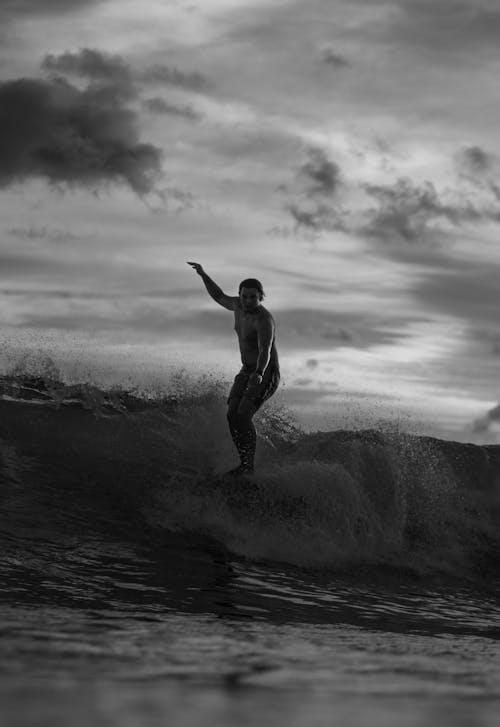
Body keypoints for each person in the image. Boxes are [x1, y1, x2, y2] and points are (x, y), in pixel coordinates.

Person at [187, 262, 280, 476]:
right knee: (231, 415)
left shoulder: (264, 320)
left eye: (253, 297)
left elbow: (264, 350)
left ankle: (249, 466)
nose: (248, 301)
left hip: (265, 372)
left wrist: (258, 373)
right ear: (239, 295)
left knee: (244, 414)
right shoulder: (237, 306)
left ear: (260, 297)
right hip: (246, 369)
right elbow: (218, 295)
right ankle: (243, 462)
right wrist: (203, 274)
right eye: (244, 296)